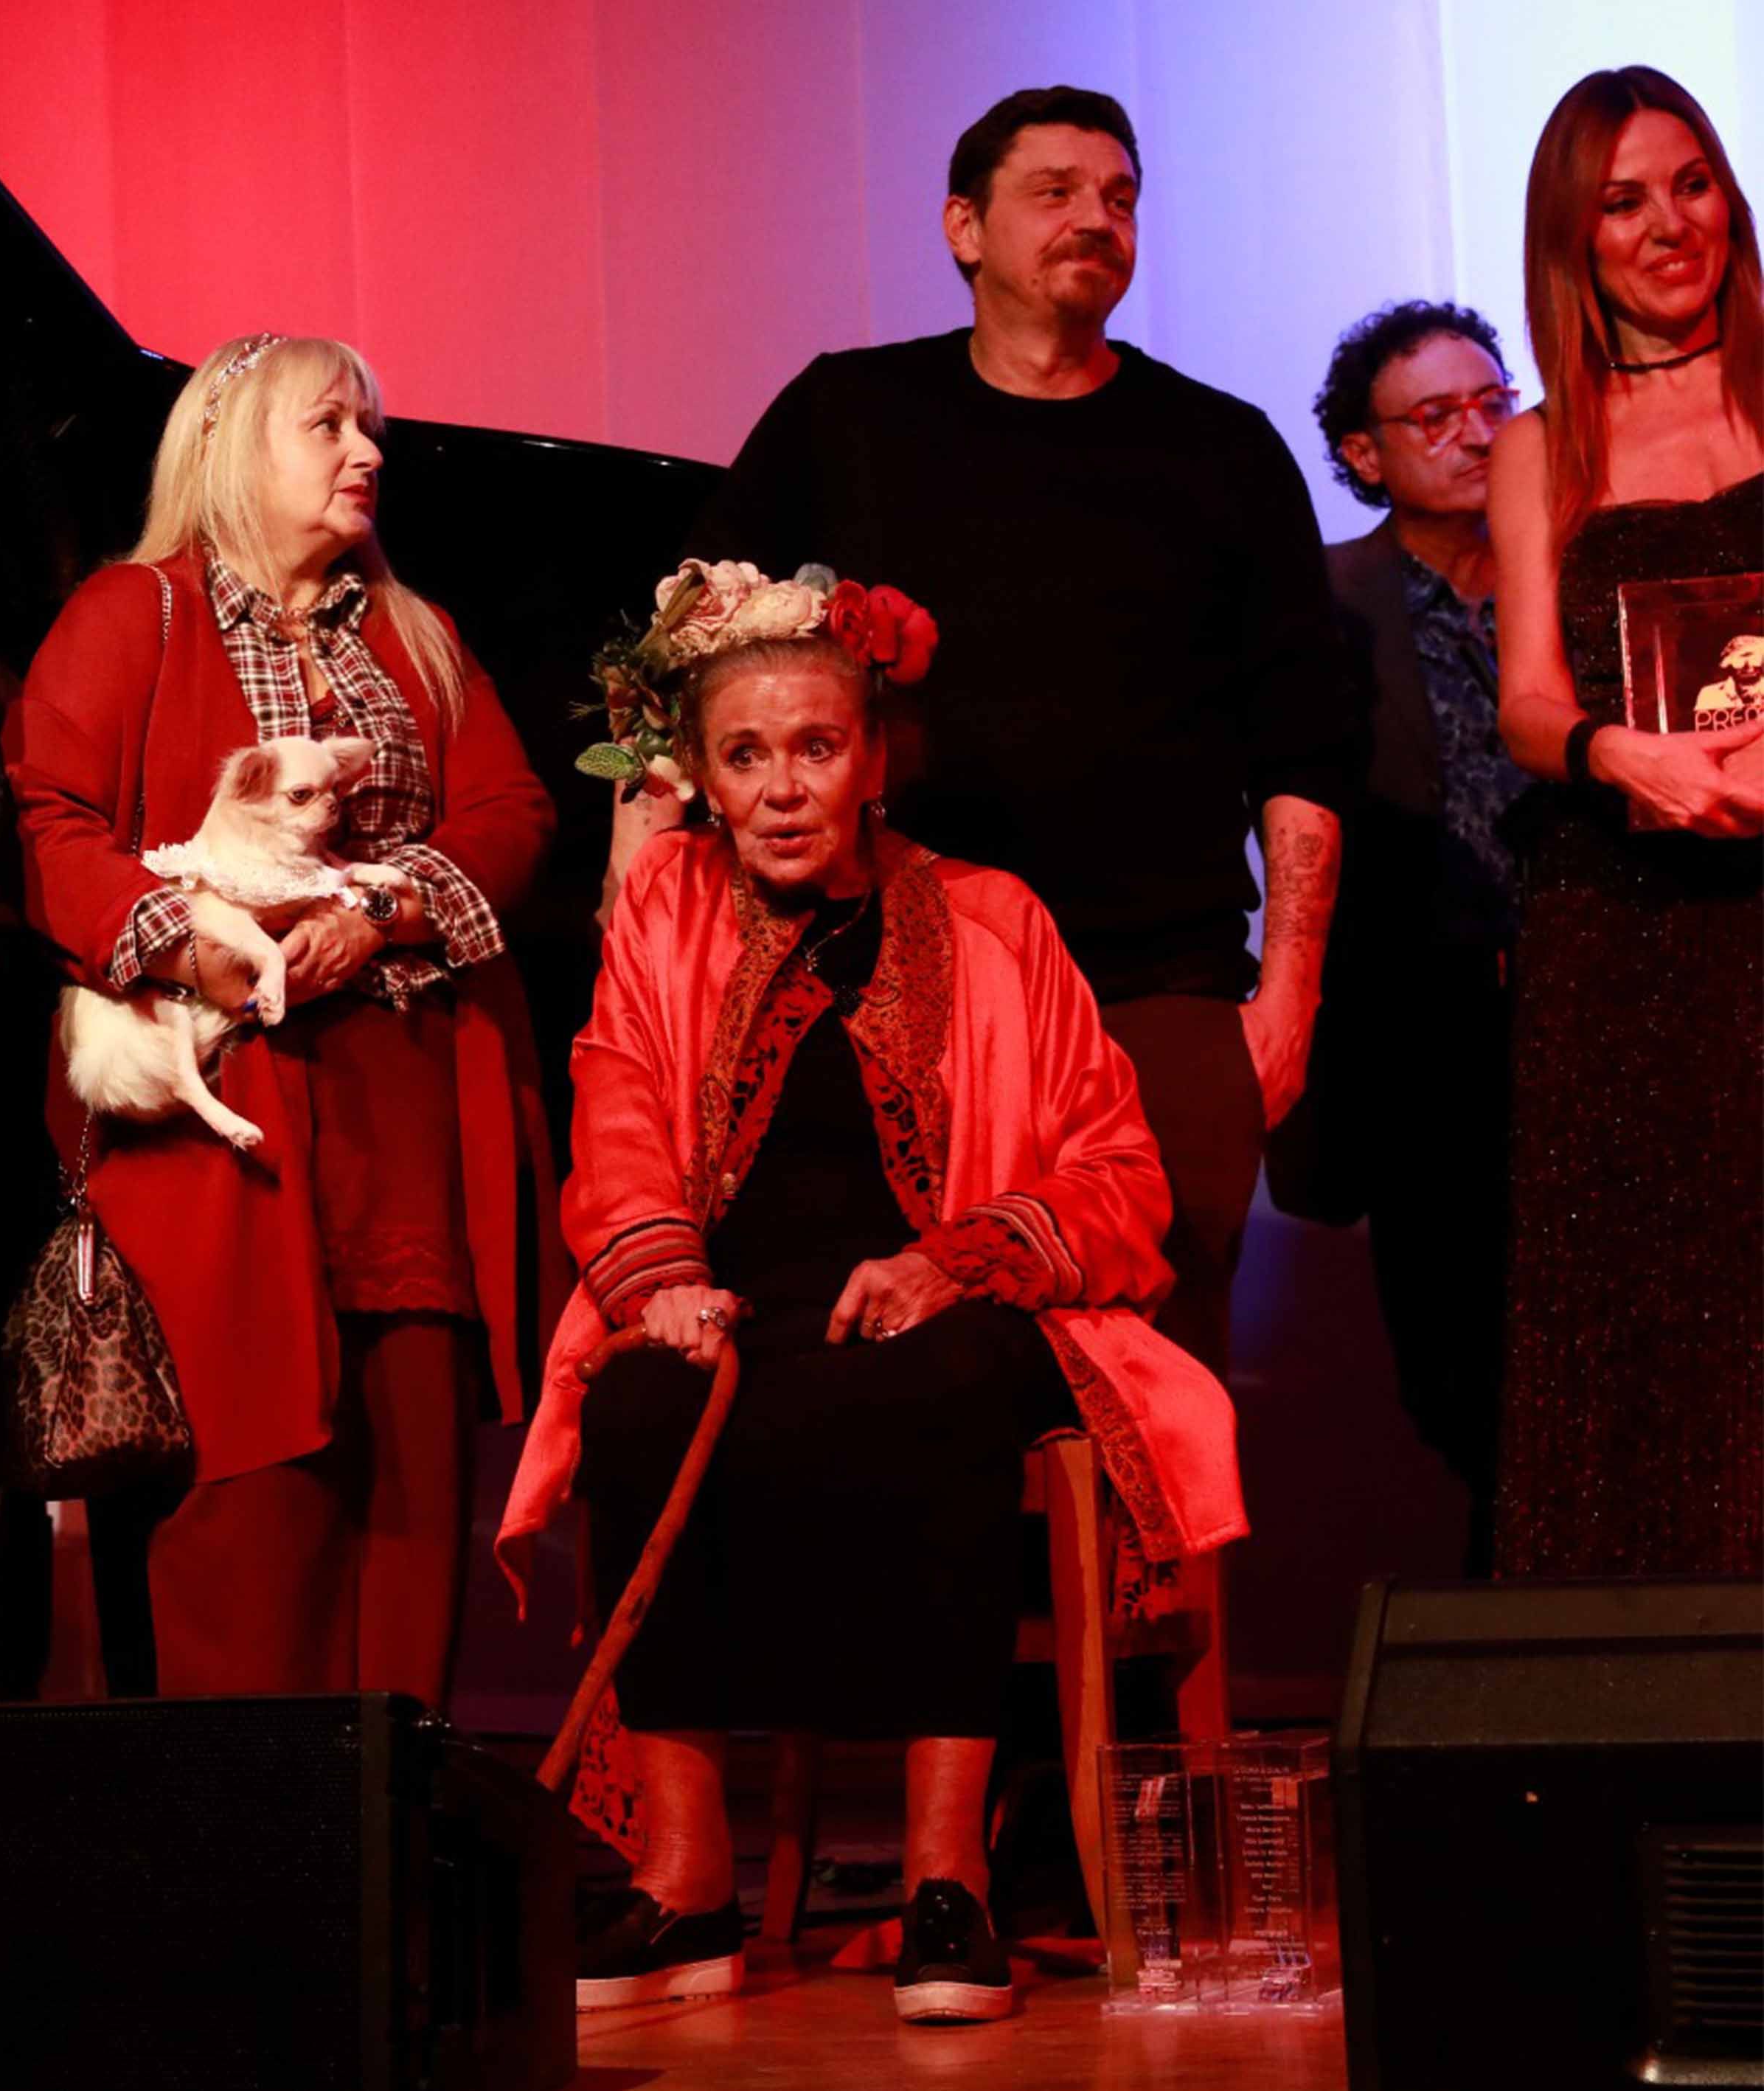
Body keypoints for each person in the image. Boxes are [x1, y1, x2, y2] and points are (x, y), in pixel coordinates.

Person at [502, 561, 1243, 2024]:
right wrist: (662, 1281)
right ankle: (685, 1885)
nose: (783, 789)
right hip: (729, 1304)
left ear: (874, 760)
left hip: (959, 1306)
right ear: (701, 778)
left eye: (816, 747)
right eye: (744, 755)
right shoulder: (662, 907)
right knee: (638, 1400)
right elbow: (618, 1107)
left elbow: (1116, 1170)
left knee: (939, 1388)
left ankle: (943, 1882)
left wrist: (952, 1262)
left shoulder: (990, 915)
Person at [680, 84, 1361, 1379]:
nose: (1096, 218)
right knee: (908, 1377)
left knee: (1157, 1384)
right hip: (888, 976)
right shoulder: (847, 415)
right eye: (1055, 192)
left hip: (1159, 989)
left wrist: (1287, 1004)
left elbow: (1305, 748)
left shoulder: (1223, 450)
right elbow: (693, 645)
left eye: (1120, 197)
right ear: (964, 227)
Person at [5, 333, 559, 1704]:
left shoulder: (416, 633)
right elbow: (51, 819)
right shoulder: (137, 611)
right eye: (329, 426)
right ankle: (247, 1818)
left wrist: (386, 912)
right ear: (231, 444)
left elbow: (513, 812)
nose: (367, 453)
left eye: (372, 428)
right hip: (226, 1136)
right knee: (246, 1510)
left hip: (402, 1123)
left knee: (408, 1487)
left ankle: (391, 1810)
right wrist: (190, 948)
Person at [1485, 67, 1764, 1578]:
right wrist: (1617, 755)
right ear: (1572, 241)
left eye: (1692, 184)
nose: (1669, 225)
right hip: (1626, 931)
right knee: (1643, 1311)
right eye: (1623, 202)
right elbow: (1526, 702)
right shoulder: (1543, 444)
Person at [1268, 301, 1528, 1571]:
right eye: (1436, 416)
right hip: (1421, 1051)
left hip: (1590, 1027)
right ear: (1364, 453)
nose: (1478, 435)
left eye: (1494, 403)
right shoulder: (1323, 604)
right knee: (1459, 1378)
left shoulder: (1573, 578)